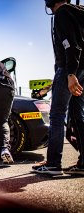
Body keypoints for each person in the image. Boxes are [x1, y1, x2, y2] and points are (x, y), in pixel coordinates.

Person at [32, 0, 84, 175]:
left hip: (70, 69)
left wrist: (70, 74)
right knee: (78, 116)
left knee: (56, 115)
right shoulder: (78, 12)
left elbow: (71, 43)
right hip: (81, 69)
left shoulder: (62, 12)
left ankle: (54, 164)